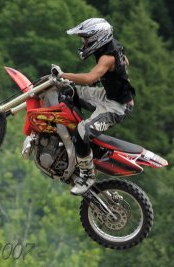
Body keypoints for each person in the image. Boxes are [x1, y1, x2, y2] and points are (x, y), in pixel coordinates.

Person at [51, 18, 135, 195]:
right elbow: (124, 62)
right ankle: (74, 143)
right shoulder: (112, 46)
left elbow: (90, 78)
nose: (84, 42)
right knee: (67, 91)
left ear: (98, 37)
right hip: (106, 94)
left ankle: (87, 175)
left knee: (82, 132)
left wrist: (63, 74)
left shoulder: (107, 56)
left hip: (117, 105)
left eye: (86, 39)